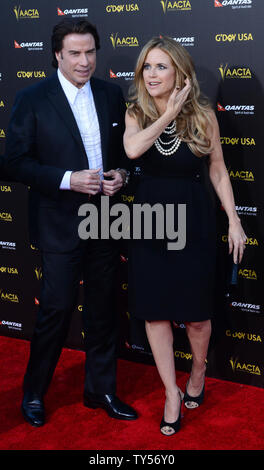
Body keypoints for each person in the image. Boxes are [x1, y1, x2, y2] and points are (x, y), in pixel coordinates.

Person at [4, 18, 137, 427]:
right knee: (56, 310)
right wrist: (67, 179)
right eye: (75, 53)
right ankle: (33, 393)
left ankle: (101, 391)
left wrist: (121, 176)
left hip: (104, 219)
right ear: (57, 55)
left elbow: (124, 155)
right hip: (59, 221)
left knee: (102, 310)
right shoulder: (32, 98)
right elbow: (14, 162)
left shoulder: (112, 95)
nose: (84, 61)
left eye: (90, 52)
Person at [123, 36, 246, 436]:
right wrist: (166, 114)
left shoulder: (203, 114)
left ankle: (197, 369)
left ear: (179, 72)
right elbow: (133, 151)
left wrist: (234, 219)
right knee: (154, 310)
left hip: (193, 219)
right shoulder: (136, 112)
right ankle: (171, 393)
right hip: (149, 221)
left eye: (161, 66)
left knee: (196, 314)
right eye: (147, 67)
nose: (152, 74)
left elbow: (218, 169)